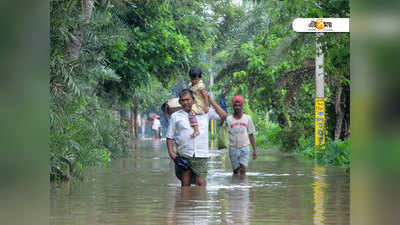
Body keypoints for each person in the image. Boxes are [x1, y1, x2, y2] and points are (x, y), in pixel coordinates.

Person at [166, 89, 226, 186]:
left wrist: (210, 100)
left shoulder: (205, 112)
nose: (185, 102)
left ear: (193, 100)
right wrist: (172, 153)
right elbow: (169, 136)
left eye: (188, 99)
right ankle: (185, 201)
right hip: (184, 154)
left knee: (201, 183)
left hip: (201, 155)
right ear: (179, 102)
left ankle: (199, 200)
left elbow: (223, 115)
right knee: (185, 183)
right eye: (183, 100)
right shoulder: (175, 116)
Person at [226, 96, 257, 176]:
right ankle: (236, 186)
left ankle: (243, 187)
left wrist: (254, 150)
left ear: (242, 106)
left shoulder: (247, 118)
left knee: (243, 169)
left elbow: (251, 134)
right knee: (236, 171)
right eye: (235, 105)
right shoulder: (229, 119)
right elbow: (225, 134)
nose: (237, 107)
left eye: (239, 105)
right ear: (233, 106)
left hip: (245, 147)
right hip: (233, 148)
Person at [188, 66, 209, 138]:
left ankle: (196, 130)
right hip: (194, 103)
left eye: (195, 79)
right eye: (192, 79)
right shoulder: (191, 84)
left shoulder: (200, 86)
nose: (193, 81)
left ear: (199, 78)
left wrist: (206, 106)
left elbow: (205, 96)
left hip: (199, 105)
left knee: (191, 112)